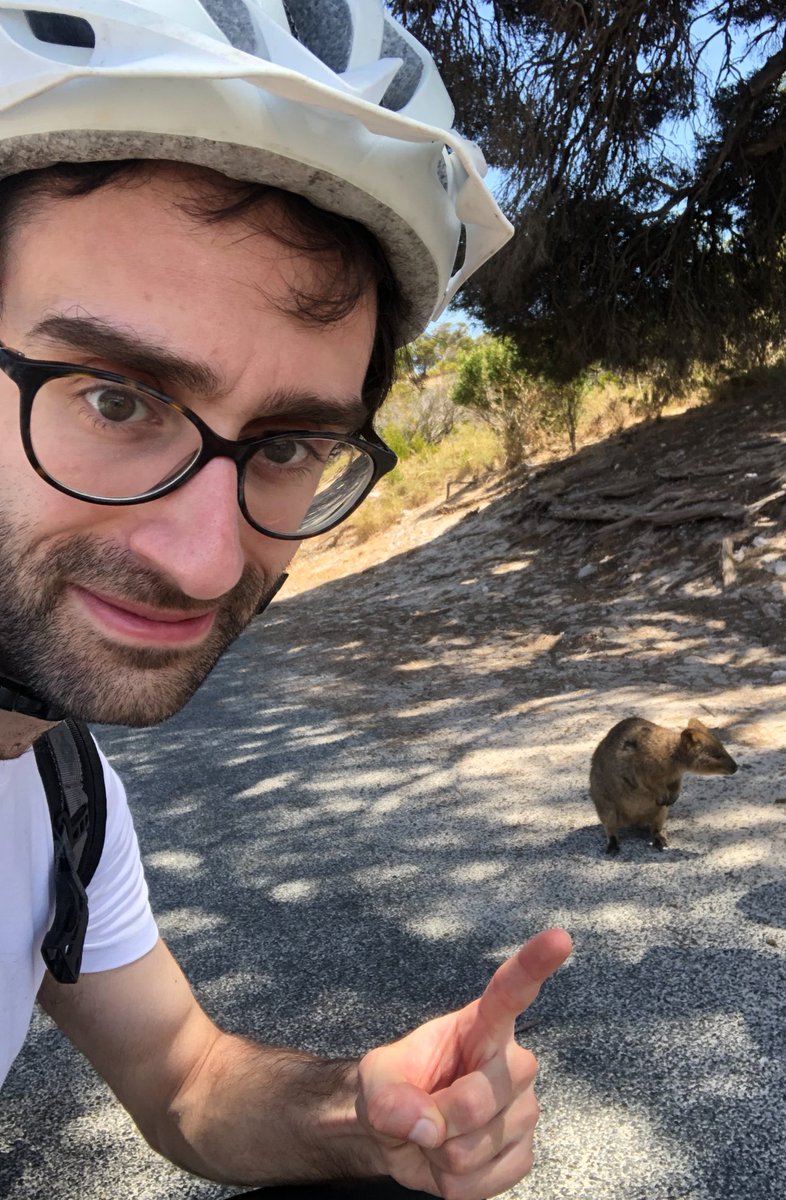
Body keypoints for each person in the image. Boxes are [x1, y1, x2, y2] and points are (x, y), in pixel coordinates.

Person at [0, 3, 573, 1197]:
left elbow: (180, 1074)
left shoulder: (57, 790)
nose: (209, 564)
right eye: (115, 398)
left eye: (289, 444)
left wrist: (353, 1118)